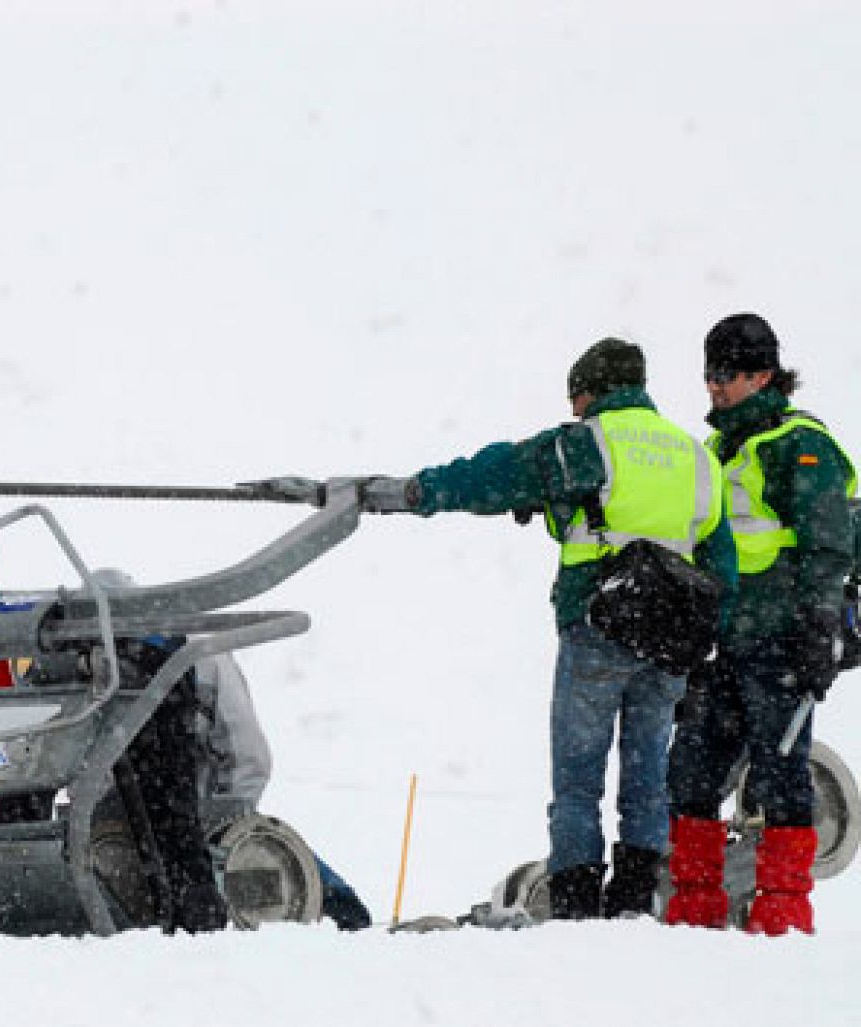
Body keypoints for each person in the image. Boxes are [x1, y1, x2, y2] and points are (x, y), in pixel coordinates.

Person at [248, 338, 735, 921]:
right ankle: (633, 903)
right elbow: (722, 563)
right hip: (670, 643)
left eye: (575, 400)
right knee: (647, 779)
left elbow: (493, 474)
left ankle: (578, 904)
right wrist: (705, 645)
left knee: (578, 783)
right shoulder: (697, 458)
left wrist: (409, 492)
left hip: (600, 626)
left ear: (590, 391)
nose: (573, 411)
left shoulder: (590, 443)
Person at [665, 313, 856, 936]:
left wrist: (820, 628)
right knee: (691, 772)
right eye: (709, 375)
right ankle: (693, 906)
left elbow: (830, 545)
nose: (713, 388)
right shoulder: (719, 451)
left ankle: (781, 915)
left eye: (726, 375)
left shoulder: (802, 444)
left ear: (763, 374)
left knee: (780, 779)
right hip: (719, 641)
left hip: (781, 639)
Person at [94, 568, 371, 931]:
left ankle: (343, 916)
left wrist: (225, 823)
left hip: (200, 811)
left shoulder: (196, 656)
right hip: (132, 825)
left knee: (285, 884)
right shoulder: (83, 661)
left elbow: (247, 755)